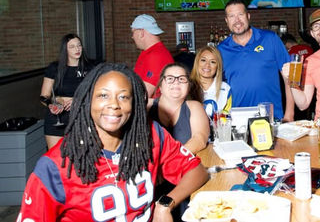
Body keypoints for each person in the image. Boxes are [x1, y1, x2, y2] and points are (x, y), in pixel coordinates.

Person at [18, 63, 209, 222]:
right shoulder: (54, 167)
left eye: (123, 96)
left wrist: (165, 204)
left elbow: (198, 172)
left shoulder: (150, 134)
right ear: (87, 100)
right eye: (103, 95)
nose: (114, 104)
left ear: (134, 103)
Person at [218, 0, 294, 121]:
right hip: (237, 121)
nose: (237, 20)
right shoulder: (221, 50)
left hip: (271, 118)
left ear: (248, 16)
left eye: (240, 14)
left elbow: (289, 77)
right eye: (232, 16)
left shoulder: (270, 39)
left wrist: (289, 114)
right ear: (226, 21)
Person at [39, 33, 93, 149]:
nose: (77, 49)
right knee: (56, 156)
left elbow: (98, 93)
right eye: (72, 47)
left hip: (82, 116)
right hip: (57, 118)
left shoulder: (90, 68)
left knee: (81, 155)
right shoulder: (54, 68)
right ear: (65, 49)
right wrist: (52, 104)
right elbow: (44, 96)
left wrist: (79, 99)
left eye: (79, 45)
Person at [149, 63, 209, 153]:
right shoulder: (146, 106)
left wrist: (174, 159)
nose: (176, 82)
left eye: (181, 79)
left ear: (188, 87)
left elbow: (200, 139)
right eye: (170, 78)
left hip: (183, 164)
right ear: (160, 86)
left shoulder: (194, 107)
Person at [131, 14, 174, 98]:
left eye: (133, 32)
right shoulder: (149, 52)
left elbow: (143, 95)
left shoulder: (157, 55)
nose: (132, 37)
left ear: (141, 33)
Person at [190, 45, 232, 118]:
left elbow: (228, 119)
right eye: (203, 60)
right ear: (197, 63)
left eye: (213, 62)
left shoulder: (225, 89)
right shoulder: (187, 87)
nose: (207, 65)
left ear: (218, 66)